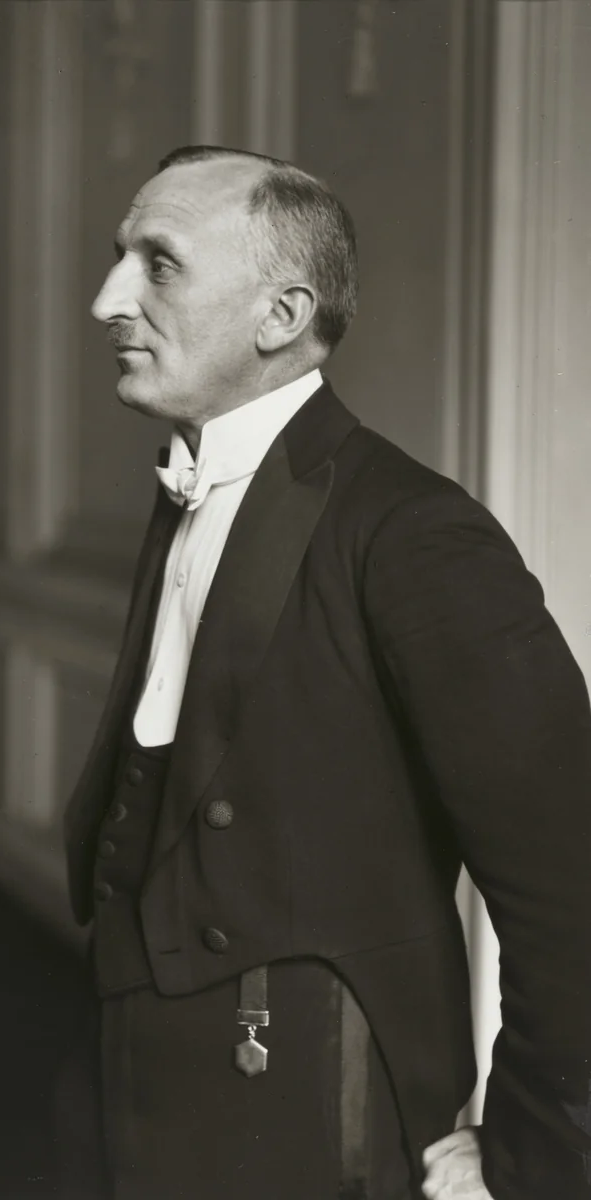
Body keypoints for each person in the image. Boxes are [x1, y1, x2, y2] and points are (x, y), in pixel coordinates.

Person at [64, 146, 591, 1200]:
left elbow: (569, 875)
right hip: (141, 1081)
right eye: (117, 256)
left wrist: (529, 1154)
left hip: (311, 1107)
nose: (105, 298)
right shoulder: (194, 486)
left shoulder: (414, 532)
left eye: (157, 264)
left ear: (281, 314)